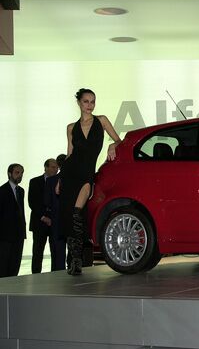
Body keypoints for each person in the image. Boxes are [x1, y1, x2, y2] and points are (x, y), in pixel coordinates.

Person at [59, 88, 121, 275]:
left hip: (86, 174)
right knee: (71, 215)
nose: (90, 105)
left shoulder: (101, 121)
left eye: (92, 101)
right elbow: (69, 154)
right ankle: (75, 261)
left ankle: (77, 259)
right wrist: (60, 178)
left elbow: (119, 140)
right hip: (70, 173)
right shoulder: (71, 127)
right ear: (79, 103)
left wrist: (112, 144)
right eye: (86, 101)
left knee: (78, 212)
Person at [28, 158, 59, 273]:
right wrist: (43, 217)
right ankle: (35, 275)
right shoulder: (35, 182)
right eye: (53, 167)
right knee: (37, 252)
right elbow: (32, 202)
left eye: (57, 167)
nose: (55, 170)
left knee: (55, 252)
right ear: (45, 167)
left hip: (54, 222)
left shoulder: (59, 182)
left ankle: (55, 275)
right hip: (39, 222)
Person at [0, 164, 25, 277]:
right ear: (9, 174)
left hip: (19, 234)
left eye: (21, 173)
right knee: (4, 264)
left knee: (15, 264)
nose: (20, 175)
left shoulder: (21, 191)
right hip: (5, 235)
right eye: (17, 173)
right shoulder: (2, 191)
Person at [43, 154, 67, 271]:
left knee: (58, 250)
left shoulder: (51, 180)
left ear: (58, 165)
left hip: (56, 219)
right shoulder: (75, 179)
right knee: (75, 248)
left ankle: (60, 273)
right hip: (72, 218)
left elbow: (47, 201)